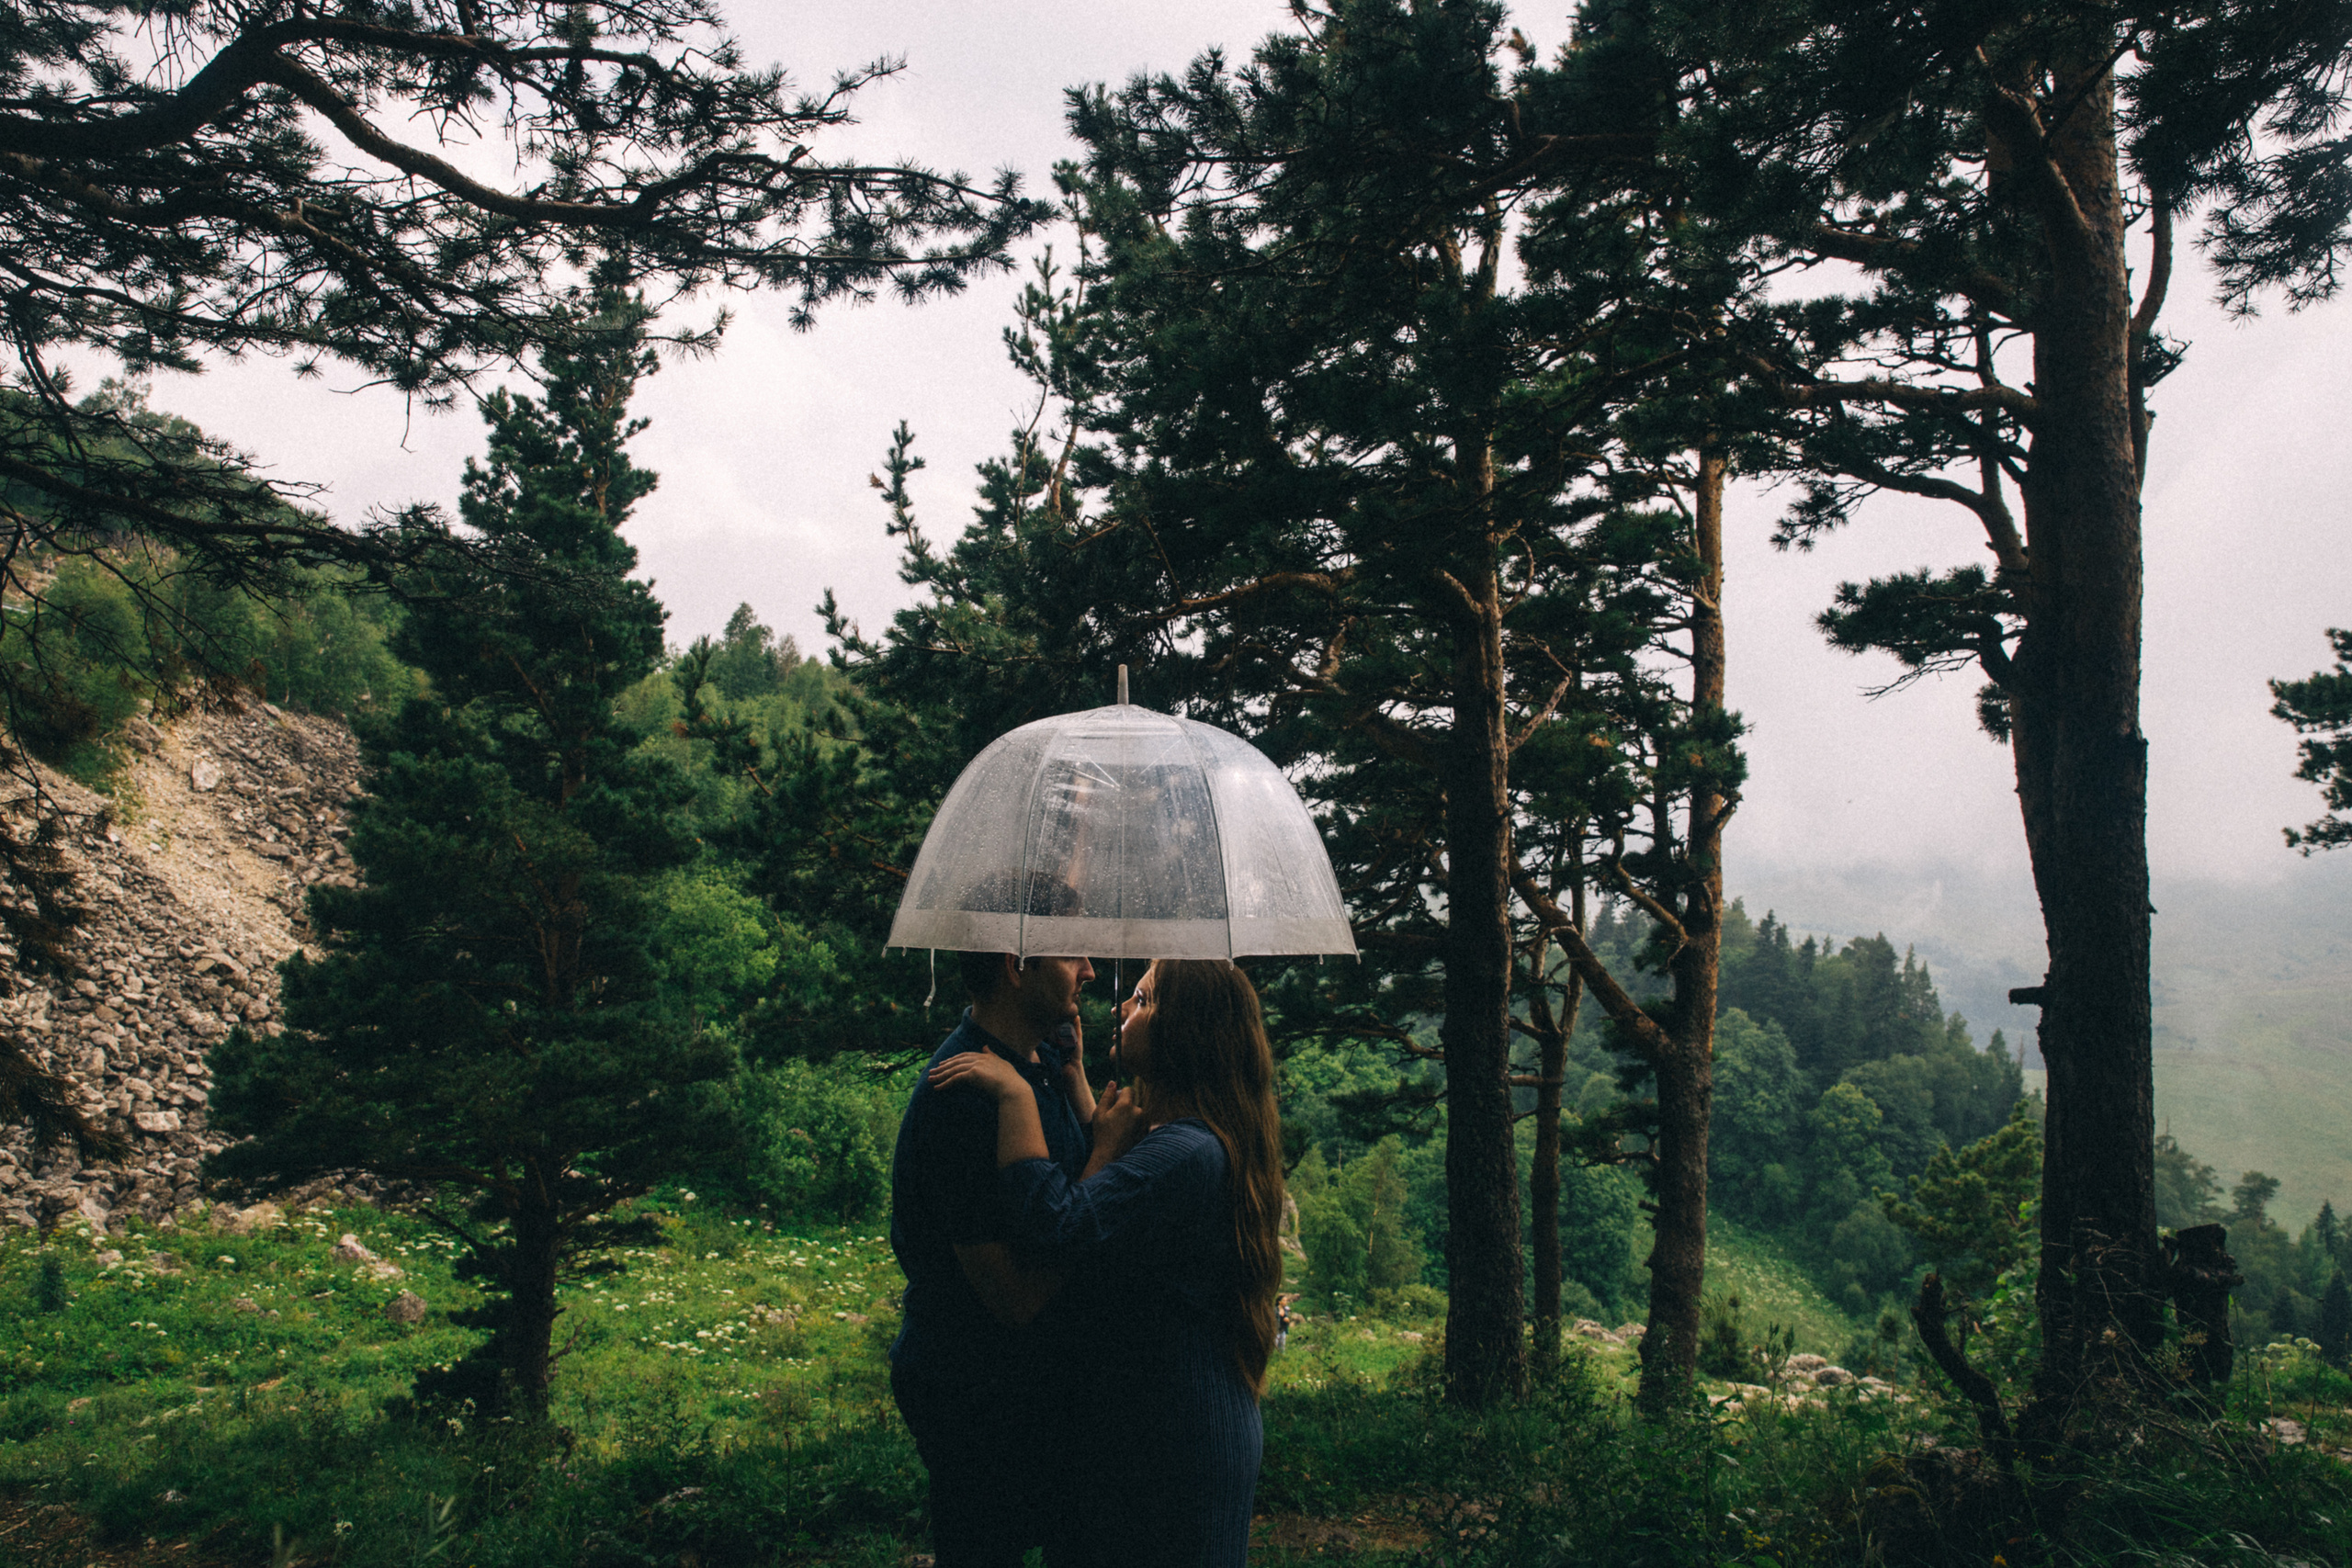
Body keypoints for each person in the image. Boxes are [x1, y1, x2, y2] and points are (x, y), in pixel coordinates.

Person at [928, 958, 1285, 1568]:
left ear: (1184, 1030)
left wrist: (1016, 1096)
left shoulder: (1185, 1151)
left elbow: (1057, 1224)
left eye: (1143, 1000)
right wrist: (1075, 1086)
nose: (1122, 1007)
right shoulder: (1195, 1138)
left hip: (1167, 1441)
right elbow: (1123, 1197)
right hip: (1172, 1427)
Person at [888, 945, 1097, 1568]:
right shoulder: (964, 1093)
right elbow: (1014, 1297)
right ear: (1016, 964)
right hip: (976, 1396)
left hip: (1039, 1390)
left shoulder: (1045, 1063)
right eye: (1071, 955)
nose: (1088, 970)